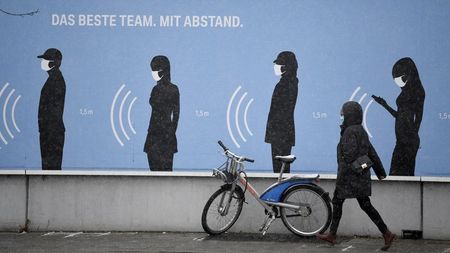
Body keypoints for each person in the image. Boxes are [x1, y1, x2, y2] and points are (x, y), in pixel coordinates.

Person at [317, 101, 396, 251]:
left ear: (349, 115)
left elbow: (349, 156)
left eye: (343, 115)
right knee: (365, 205)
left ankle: (333, 235)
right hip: (360, 176)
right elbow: (371, 153)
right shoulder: (361, 130)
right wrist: (380, 172)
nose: (341, 117)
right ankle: (386, 233)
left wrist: (344, 173)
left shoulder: (349, 132)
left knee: (340, 202)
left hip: (348, 177)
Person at [372, 57, 425, 176]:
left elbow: (418, 117)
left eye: (400, 78)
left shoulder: (418, 92)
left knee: (402, 173)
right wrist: (384, 105)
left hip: (407, 141)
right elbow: (399, 115)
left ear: (409, 74)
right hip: (401, 140)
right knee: (397, 173)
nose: (398, 82)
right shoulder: (405, 91)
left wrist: (412, 137)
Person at [144, 55, 180, 171]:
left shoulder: (158, 89)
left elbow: (176, 113)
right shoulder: (171, 89)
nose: (154, 73)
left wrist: (170, 132)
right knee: (165, 173)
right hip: (164, 134)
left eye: (156, 70)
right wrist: (171, 131)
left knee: (157, 172)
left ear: (164, 70)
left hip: (157, 134)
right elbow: (176, 114)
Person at [265, 51, 298, 173]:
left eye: (279, 64)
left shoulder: (286, 83)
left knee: (279, 169)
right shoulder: (289, 82)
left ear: (286, 66)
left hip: (280, 132)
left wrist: (274, 129)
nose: (276, 67)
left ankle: (282, 191)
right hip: (282, 131)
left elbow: (281, 111)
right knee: (281, 169)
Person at [37, 48, 66, 170]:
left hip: (51, 132)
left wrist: (46, 127)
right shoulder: (53, 79)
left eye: (45, 59)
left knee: (51, 169)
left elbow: (53, 109)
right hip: (49, 131)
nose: (43, 62)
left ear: (53, 62)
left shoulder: (56, 80)